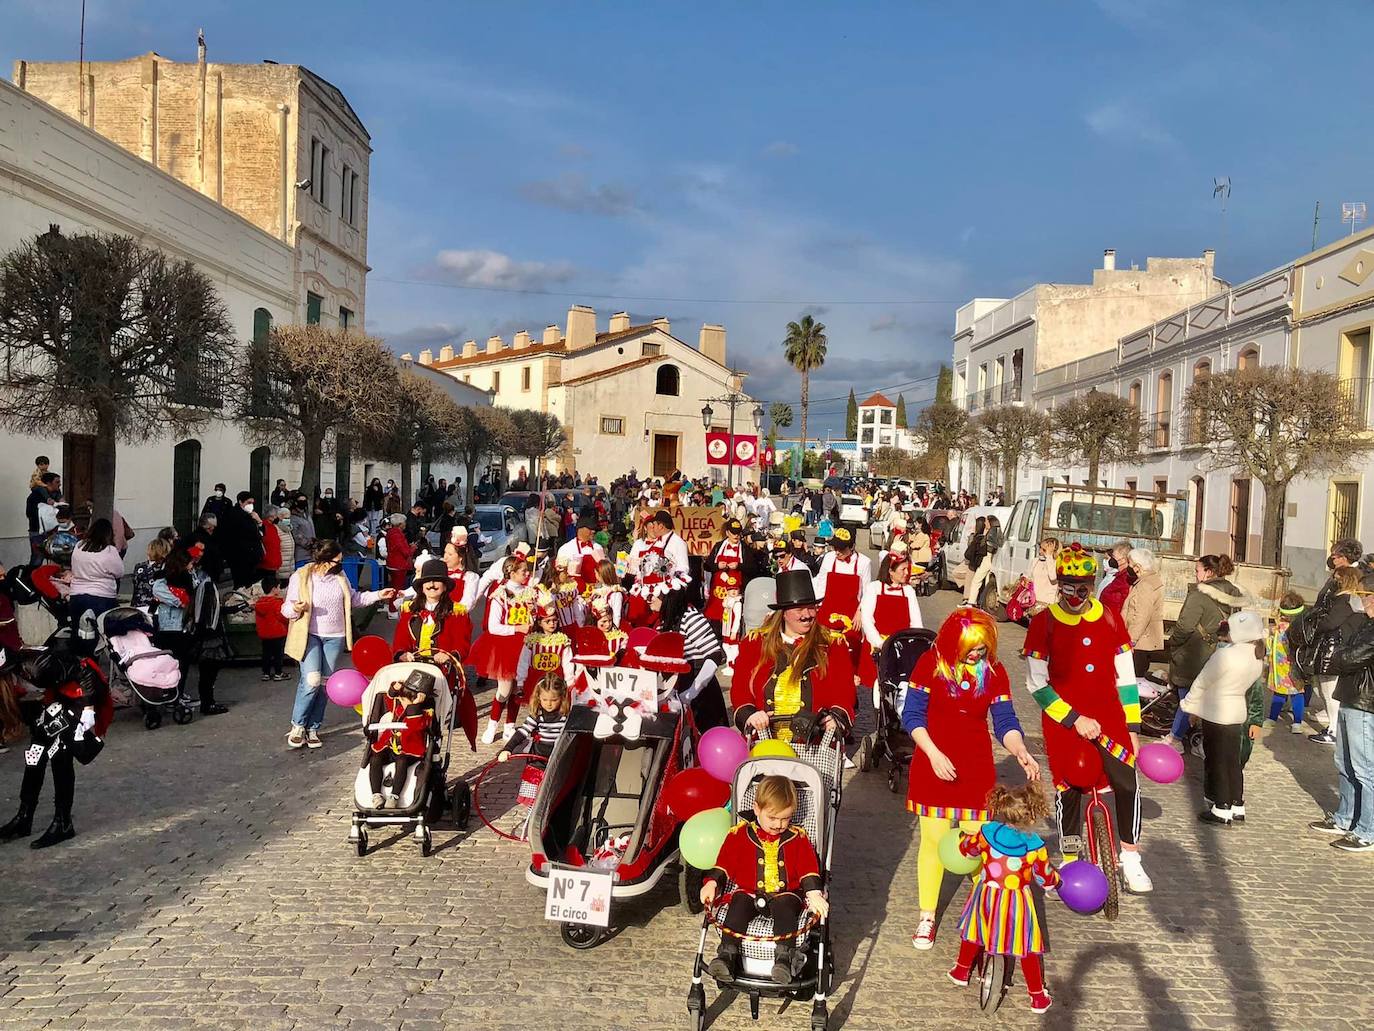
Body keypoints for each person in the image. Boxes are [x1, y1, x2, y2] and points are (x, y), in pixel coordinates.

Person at [903, 607, 1038, 951]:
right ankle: (927, 916)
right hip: (933, 764)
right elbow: (912, 715)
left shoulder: (994, 671)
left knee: (979, 842)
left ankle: (985, 911)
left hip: (975, 768)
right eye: (972, 648)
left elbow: (1005, 720)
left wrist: (1020, 749)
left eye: (982, 648)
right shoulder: (930, 665)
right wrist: (933, 754)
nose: (978, 654)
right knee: (933, 841)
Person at [1022, 543, 1152, 893]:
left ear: (1092, 586)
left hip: (1110, 716)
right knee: (1070, 786)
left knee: (1127, 781)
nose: (1076, 597)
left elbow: (1126, 678)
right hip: (1064, 720)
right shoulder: (1044, 623)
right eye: (1069, 588)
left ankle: (1131, 857)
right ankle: (1070, 856)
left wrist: (1133, 727)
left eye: (1083, 589)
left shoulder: (1109, 617)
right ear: (1059, 585)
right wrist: (1074, 719)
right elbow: (1036, 685)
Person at [700, 774, 829, 984]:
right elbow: (725, 861)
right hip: (749, 891)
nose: (779, 824)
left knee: (786, 910)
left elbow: (807, 867)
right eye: (773, 818)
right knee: (737, 908)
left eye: (785, 818)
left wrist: (814, 893)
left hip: (786, 893)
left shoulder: (797, 838)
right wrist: (712, 882)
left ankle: (784, 959)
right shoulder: (740, 834)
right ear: (757, 809)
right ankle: (727, 955)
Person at [946, 783, 1061, 1014]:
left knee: (975, 930)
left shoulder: (987, 832)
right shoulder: (1035, 846)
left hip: (987, 894)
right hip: (1016, 902)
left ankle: (961, 970)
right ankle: (1037, 996)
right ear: (1031, 817)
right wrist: (1056, 882)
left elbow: (967, 849)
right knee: (1026, 944)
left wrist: (963, 842)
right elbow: (1045, 876)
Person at [281, 540, 396, 749]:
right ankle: (298, 725)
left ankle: (313, 727)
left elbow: (354, 599)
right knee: (311, 680)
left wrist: (379, 595)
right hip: (309, 634)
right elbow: (286, 609)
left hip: (335, 636)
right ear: (324, 560)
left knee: (325, 683)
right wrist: (296, 608)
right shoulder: (301, 576)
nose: (339, 565)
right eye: (337, 561)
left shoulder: (340, 576)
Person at [0, 644, 112, 848]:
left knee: (60, 754)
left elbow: (83, 672)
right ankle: (24, 816)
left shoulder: (37, 667)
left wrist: (88, 709)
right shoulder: (20, 672)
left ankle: (63, 822)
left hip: (80, 693)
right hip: (58, 696)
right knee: (35, 754)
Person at [730, 569, 856, 742]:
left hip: (816, 743)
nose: (807, 615)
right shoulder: (755, 642)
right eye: (799, 609)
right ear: (783, 613)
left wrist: (835, 717)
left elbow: (844, 690)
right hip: (764, 741)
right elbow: (740, 687)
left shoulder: (833, 644)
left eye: (811, 608)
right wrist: (750, 714)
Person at [1308, 571, 1374, 851]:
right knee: (1344, 763)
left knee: (1364, 768)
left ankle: (1368, 831)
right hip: (1349, 696)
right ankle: (1345, 818)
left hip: (1365, 702)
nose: (1360, 600)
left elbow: (1349, 657)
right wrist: (1341, 655)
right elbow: (1344, 653)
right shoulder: (1364, 623)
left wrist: (1340, 655)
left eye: (1363, 596)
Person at [1180, 611, 1266, 825]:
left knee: (1217, 760)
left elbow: (1202, 682)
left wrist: (1189, 705)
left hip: (1217, 712)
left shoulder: (1226, 655)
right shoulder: (1256, 657)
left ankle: (1221, 806)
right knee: (1232, 762)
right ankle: (1237, 803)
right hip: (1236, 712)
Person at [1164, 554, 1242, 750]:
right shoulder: (1234, 594)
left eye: (1197, 570)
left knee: (1188, 696)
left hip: (1195, 653)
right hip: (1222, 652)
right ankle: (1204, 742)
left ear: (1209, 572)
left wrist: (1174, 644)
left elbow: (1184, 627)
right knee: (1212, 700)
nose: (1195, 574)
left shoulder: (1199, 595)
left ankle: (1176, 738)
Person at [471, 555, 536, 743]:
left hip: (525, 646)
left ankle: (510, 726)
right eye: (523, 571)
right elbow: (494, 626)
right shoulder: (500, 594)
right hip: (506, 646)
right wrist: (517, 628)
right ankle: (492, 724)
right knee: (504, 690)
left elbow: (534, 620)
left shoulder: (530, 592)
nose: (527, 574)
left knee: (518, 690)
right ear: (511, 573)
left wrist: (533, 613)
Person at [650, 584, 728, 730]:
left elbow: (714, 655)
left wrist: (692, 692)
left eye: (652, 595)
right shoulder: (662, 623)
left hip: (700, 695)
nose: (649, 599)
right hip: (674, 691)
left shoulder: (690, 617)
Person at [498, 673, 572, 817]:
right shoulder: (538, 715)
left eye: (554, 700)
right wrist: (507, 749)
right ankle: (531, 820)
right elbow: (522, 732)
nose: (549, 704)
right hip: (537, 760)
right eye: (545, 699)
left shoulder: (565, 717)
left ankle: (550, 819)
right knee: (533, 797)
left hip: (557, 759)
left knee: (554, 795)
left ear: (562, 698)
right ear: (538, 697)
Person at [392, 559, 472, 686]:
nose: (432, 585)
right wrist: (402, 654)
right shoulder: (408, 610)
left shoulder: (457, 612)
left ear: (445, 586)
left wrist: (449, 656)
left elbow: (462, 643)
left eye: (437, 581)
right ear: (422, 587)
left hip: (444, 673)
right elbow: (401, 639)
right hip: (413, 670)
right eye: (427, 581)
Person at [363, 669, 435, 809]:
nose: (401, 700)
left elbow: (414, 726)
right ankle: (376, 794)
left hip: (410, 749)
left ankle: (394, 796)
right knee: (376, 758)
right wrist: (395, 689)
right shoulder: (398, 706)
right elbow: (390, 698)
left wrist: (414, 706)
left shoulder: (424, 713)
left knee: (402, 761)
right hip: (390, 745)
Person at [513, 600, 573, 729]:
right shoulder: (532, 641)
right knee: (536, 706)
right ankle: (535, 728)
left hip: (556, 682)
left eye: (555, 620)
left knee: (555, 705)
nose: (552, 624)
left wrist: (570, 682)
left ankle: (554, 729)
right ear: (540, 623)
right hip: (535, 681)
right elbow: (523, 662)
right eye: (548, 621)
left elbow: (568, 663)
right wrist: (520, 681)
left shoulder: (563, 641)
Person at [68, 519, 124, 652]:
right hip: (102, 597)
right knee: (103, 634)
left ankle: (79, 660)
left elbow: (74, 567)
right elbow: (119, 572)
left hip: (77, 596)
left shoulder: (79, 546)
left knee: (79, 633)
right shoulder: (109, 551)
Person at [1265, 593, 1308, 733]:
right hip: (1284, 666)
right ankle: (1278, 718)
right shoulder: (1283, 626)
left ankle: (1295, 721)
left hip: (1290, 666)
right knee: (1285, 693)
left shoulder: (1292, 627)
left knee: (1292, 694)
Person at [1121, 548, 1165, 677]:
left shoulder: (1145, 585)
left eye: (1130, 564)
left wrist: (1130, 641)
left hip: (1139, 642)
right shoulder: (1151, 581)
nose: (1128, 567)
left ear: (1138, 566)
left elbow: (1141, 616)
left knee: (1132, 677)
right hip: (1143, 640)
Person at [254, 577, 290, 682]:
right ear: (274, 589)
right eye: (278, 587)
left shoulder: (259, 603)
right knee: (278, 654)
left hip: (265, 634)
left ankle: (266, 673)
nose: (279, 589)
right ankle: (278, 673)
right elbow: (282, 617)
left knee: (266, 654)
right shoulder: (277, 603)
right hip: (278, 633)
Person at [965, 514, 1001, 608]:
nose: (985, 523)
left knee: (976, 580)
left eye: (986, 521)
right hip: (993, 559)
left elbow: (991, 546)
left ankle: (971, 602)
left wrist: (983, 545)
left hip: (987, 558)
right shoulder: (998, 531)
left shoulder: (992, 532)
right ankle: (983, 603)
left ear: (990, 522)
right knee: (987, 582)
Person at [1027, 537, 1058, 618]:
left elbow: (1053, 577)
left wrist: (1049, 556)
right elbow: (1028, 576)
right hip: (1034, 601)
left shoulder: (1056, 563)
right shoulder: (1035, 561)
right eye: (1040, 548)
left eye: (1044, 550)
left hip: (1048, 603)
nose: (1040, 552)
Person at [961, 516, 988, 604]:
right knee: (976, 582)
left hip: (974, 563)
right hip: (980, 563)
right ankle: (972, 599)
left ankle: (970, 600)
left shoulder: (976, 537)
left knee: (974, 582)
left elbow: (968, 552)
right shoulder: (985, 537)